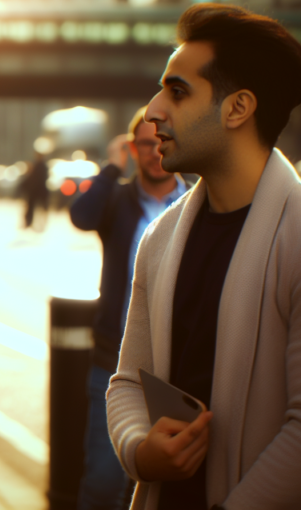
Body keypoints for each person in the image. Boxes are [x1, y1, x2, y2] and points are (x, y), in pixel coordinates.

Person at [107, 4, 301, 510]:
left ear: (237, 109)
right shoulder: (162, 236)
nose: (153, 110)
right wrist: (141, 451)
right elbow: (127, 382)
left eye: (177, 90)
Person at [70, 107, 187, 510]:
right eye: (143, 144)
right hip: (114, 362)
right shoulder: (116, 200)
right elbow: (80, 215)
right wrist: (110, 167)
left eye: (160, 142)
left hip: (181, 370)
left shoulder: (194, 202)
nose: (154, 152)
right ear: (131, 150)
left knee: (173, 489)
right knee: (103, 482)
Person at [20, 151, 49, 230]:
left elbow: (38, 179)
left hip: (37, 190)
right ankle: (29, 223)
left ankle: (38, 224)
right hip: (36, 191)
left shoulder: (41, 166)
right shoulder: (37, 165)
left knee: (39, 208)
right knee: (32, 208)